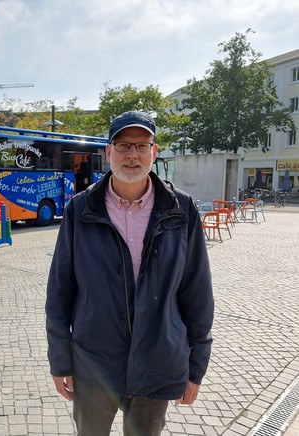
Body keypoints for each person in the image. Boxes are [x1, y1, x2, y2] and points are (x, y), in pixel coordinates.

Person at [45, 111, 214, 436]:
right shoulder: (80, 210)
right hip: (93, 364)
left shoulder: (181, 210)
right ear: (108, 152)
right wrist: (60, 359)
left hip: (157, 361)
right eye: (123, 145)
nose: (132, 155)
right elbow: (60, 292)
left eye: (141, 145)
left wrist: (196, 366)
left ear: (154, 151)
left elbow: (197, 293)